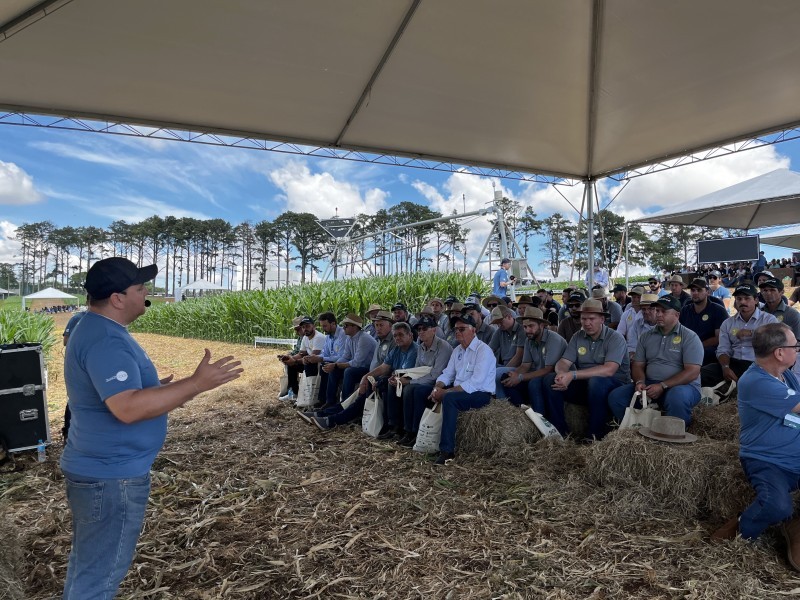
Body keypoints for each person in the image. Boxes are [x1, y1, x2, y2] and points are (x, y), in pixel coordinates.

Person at [61, 257, 242, 599]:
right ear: (117, 298)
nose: (147, 293)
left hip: (101, 469)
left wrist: (162, 390)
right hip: (111, 477)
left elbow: (125, 396)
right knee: (98, 578)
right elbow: (127, 408)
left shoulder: (96, 329)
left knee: (90, 566)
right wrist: (196, 384)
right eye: (140, 288)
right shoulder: (106, 340)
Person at [711, 323, 800, 568]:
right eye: (795, 345)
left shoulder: (785, 375)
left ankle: (794, 523)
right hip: (768, 461)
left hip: (793, 455)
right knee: (777, 505)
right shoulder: (756, 381)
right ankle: (741, 526)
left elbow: (793, 414)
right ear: (779, 353)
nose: (798, 350)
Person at [609, 296, 703, 426]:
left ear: (677, 314)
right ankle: (634, 432)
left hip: (684, 386)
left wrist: (663, 385)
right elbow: (637, 365)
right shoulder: (646, 336)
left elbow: (692, 372)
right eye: (657, 310)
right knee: (617, 397)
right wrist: (640, 381)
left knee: (677, 397)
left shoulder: (690, 337)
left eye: (663, 311)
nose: (658, 314)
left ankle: (675, 435)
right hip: (651, 384)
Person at [545, 298, 630, 441]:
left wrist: (572, 374)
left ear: (602, 319)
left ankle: (594, 436)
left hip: (614, 385)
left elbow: (609, 370)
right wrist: (561, 374)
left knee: (597, 382)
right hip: (587, 383)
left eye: (592, 318)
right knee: (550, 380)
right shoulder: (578, 336)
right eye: (583, 318)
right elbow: (564, 361)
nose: (587, 323)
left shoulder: (615, 338)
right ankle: (560, 433)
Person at [429, 313, 496, 465]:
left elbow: (476, 383)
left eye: (462, 329)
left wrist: (445, 392)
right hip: (460, 391)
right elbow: (448, 373)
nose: (457, 332)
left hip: (481, 394)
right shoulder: (457, 350)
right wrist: (437, 387)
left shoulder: (483, 350)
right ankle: (417, 436)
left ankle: (447, 450)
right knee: (424, 391)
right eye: (455, 330)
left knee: (449, 399)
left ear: (473, 330)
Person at [700, 284, 778, 387]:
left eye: (747, 298)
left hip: (758, 364)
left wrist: (752, 333)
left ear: (756, 300)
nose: (742, 302)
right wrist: (725, 367)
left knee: (759, 383)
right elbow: (723, 349)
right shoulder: (728, 323)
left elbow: (776, 341)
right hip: (733, 363)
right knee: (700, 374)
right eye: (739, 299)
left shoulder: (769, 319)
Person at [397, 315, 453, 447]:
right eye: (419, 329)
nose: (421, 331)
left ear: (434, 330)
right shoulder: (421, 346)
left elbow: (435, 375)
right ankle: (406, 430)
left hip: (438, 384)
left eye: (424, 329)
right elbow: (417, 370)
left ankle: (417, 431)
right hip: (424, 381)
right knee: (404, 387)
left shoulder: (443, 347)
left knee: (415, 390)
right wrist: (405, 378)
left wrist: (410, 382)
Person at [501, 307, 567, 414]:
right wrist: (514, 375)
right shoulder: (529, 340)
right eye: (525, 327)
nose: (527, 330)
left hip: (556, 377)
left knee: (534, 383)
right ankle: (523, 414)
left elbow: (548, 370)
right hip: (539, 375)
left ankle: (539, 419)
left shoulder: (553, 339)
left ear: (541, 325)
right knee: (505, 377)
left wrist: (520, 377)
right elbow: (525, 365)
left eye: (531, 326)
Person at [326, 313, 377, 406]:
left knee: (349, 372)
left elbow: (356, 363)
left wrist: (336, 365)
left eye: (346, 325)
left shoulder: (364, 338)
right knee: (334, 370)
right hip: (359, 367)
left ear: (355, 327)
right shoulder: (350, 338)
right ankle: (330, 402)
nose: (343, 328)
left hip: (369, 369)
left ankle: (345, 404)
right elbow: (345, 356)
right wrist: (334, 365)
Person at [679, 278, 729, 366]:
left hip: (709, 351)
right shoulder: (685, 310)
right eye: (693, 290)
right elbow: (678, 332)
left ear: (707, 292)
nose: (695, 293)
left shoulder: (718, 310)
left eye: (699, 290)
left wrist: (697, 346)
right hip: (687, 348)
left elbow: (719, 338)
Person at [488, 305, 525, 398]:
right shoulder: (499, 332)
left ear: (509, 316)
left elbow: (519, 356)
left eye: (500, 321)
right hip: (504, 365)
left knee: (497, 373)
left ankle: (502, 401)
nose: (499, 325)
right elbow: (488, 351)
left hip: (519, 367)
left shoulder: (521, 329)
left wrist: (503, 370)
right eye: (497, 323)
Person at [61, 308, 86, 441]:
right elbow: (66, 341)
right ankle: (68, 433)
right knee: (75, 398)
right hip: (78, 366)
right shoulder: (77, 319)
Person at [277, 316, 306, 401]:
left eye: (298, 329)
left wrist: (291, 359)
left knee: (291, 365)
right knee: (289, 364)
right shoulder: (301, 337)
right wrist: (288, 355)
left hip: (307, 362)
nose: (297, 332)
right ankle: (291, 390)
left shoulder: (308, 337)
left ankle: (294, 392)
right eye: (295, 330)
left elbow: (303, 354)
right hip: (302, 360)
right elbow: (297, 350)